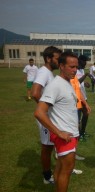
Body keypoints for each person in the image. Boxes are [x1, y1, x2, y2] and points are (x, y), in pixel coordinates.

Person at [34, 51, 81, 192]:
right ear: (61, 66)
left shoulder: (66, 82)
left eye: (77, 66)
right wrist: (58, 132)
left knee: (62, 167)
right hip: (64, 135)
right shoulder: (55, 85)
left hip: (70, 133)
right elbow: (39, 112)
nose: (75, 69)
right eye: (72, 66)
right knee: (66, 169)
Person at [31, 46, 62, 184]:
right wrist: (45, 111)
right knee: (47, 146)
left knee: (51, 144)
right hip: (45, 117)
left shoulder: (48, 72)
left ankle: (55, 170)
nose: (59, 61)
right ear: (48, 58)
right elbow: (35, 93)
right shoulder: (43, 72)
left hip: (49, 115)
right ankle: (47, 176)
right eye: (57, 59)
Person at [76, 55, 93, 141]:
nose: (85, 64)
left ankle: (82, 132)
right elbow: (77, 82)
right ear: (79, 61)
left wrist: (85, 83)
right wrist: (86, 75)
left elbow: (80, 82)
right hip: (77, 97)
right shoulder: (74, 70)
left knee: (86, 114)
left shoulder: (81, 70)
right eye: (84, 62)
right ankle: (78, 135)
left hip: (84, 97)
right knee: (77, 118)